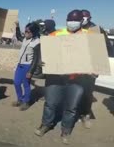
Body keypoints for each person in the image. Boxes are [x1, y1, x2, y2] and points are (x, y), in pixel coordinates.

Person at [34, 10, 94, 145]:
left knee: (71, 107)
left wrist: (96, 68)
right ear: (66, 20)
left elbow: (96, 57)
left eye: (75, 20)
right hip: (55, 77)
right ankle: (46, 124)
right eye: (69, 20)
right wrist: (42, 61)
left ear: (81, 22)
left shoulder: (89, 36)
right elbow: (44, 51)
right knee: (50, 103)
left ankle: (66, 130)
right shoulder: (56, 34)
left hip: (77, 80)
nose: (72, 23)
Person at [77, 10, 114, 129]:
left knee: (87, 93)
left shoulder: (96, 30)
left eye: (83, 17)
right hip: (76, 67)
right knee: (75, 91)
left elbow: (108, 48)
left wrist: (98, 65)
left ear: (89, 18)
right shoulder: (75, 29)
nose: (81, 19)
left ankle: (85, 115)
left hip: (90, 68)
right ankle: (75, 113)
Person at [12, 22, 40, 111]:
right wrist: (17, 27)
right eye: (25, 31)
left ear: (34, 32)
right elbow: (19, 36)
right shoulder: (25, 38)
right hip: (19, 65)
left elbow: (36, 59)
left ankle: (26, 102)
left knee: (26, 85)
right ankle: (19, 99)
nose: (26, 33)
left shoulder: (37, 42)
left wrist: (31, 71)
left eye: (28, 32)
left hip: (27, 66)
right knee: (16, 83)